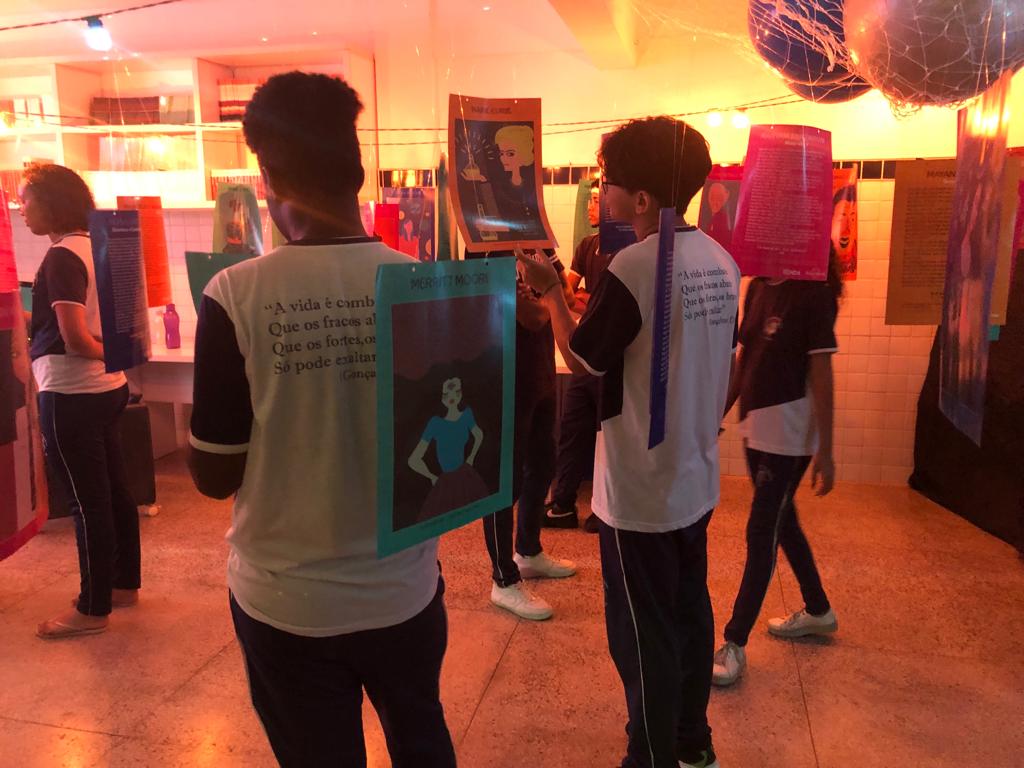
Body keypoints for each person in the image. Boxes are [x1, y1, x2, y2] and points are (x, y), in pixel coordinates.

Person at [188, 72, 456, 768]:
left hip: (288, 603)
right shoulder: (425, 287)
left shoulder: (233, 294)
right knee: (422, 738)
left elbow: (214, 476)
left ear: (268, 177)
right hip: (404, 592)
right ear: (357, 171)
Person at [516, 116, 739, 768]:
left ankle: (649, 755)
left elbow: (584, 359)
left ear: (641, 198)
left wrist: (551, 293)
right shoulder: (720, 261)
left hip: (641, 491)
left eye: (608, 182)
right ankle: (693, 743)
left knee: (642, 636)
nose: (601, 192)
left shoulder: (635, 265)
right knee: (690, 614)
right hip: (694, 476)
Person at [711, 246, 842, 688]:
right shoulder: (758, 288)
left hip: (790, 431)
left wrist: (826, 449)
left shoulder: (813, 293)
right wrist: (717, 414)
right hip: (757, 427)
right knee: (784, 522)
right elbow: (745, 360)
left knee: (762, 528)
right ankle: (818, 609)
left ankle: (734, 641)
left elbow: (821, 373)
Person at [19, 163, 140, 639]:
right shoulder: (96, 246)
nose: (21, 208)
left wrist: (107, 352)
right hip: (109, 389)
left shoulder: (61, 257)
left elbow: (75, 340)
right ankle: (123, 584)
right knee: (115, 492)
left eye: (26, 199)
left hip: (72, 392)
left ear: (52, 203)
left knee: (87, 503)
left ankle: (92, 609)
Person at [469, 245, 577, 621]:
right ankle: (503, 578)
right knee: (504, 482)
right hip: (504, 379)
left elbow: (567, 293)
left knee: (543, 465)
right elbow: (531, 316)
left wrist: (548, 297)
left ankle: (528, 551)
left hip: (540, 375)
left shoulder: (539, 246)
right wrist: (550, 298)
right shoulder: (483, 250)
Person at [544, 179, 615, 532]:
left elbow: (602, 306)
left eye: (597, 200)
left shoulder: (626, 252)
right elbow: (570, 294)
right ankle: (562, 504)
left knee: (608, 436)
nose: (590, 206)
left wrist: (587, 304)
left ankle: (605, 509)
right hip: (586, 357)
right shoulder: (588, 246)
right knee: (572, 428)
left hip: (612, 360)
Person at [408, 376, 489, 521]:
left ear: (460, 394)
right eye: (446, 394)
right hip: (446, 481)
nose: (451, 397)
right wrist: (431, 476)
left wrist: (471, 457)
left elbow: (479, 435)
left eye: (456, 392)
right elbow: (413, 459)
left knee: (473, 511)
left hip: (465, 474)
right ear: (442, 398)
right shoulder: (435, 424)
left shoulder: (466, 415)